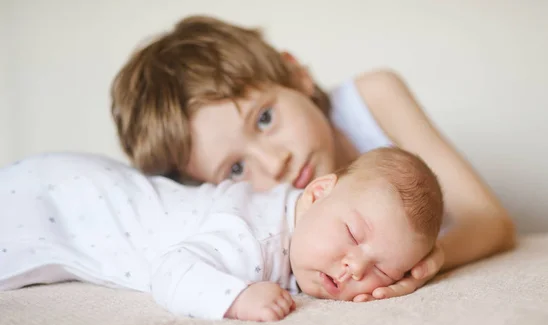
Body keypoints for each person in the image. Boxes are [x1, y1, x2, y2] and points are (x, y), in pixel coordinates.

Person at [110, 15, 516, 302]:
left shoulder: (375, 98)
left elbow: (492, 222)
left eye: (264, 119)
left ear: (296, 75)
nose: (275, 163)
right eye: (236, 168)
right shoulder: (260, 226)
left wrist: (427, 262)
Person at [0, 147, 443, 321]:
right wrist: (237, 297)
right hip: (62, 200)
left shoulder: (301, 232)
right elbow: (172, 271)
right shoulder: (256, 235)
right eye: (351, 233)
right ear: (317, 193)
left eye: (381, 270)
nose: (355, 267)